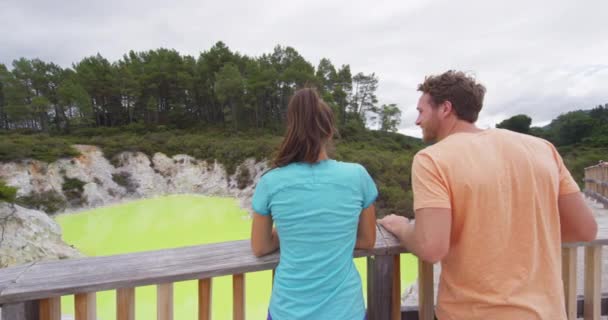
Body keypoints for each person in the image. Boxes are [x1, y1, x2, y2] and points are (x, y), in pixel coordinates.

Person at [378, 70, 598, 320]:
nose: (417, 121)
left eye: (421, 111)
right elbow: (584, 230)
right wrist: (520, 236)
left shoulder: (432, 159)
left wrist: (402, 226)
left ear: (445, 108)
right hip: (548, 312)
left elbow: (431, 248)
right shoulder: (542, 148)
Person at [250, 88, 377, 320]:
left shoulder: (270, 181)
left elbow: (260, 247)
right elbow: (368, 240)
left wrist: (283, 234)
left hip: (288, 310)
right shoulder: (358, 175)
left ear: (292, 130)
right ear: (329, 131)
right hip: (346, 310)